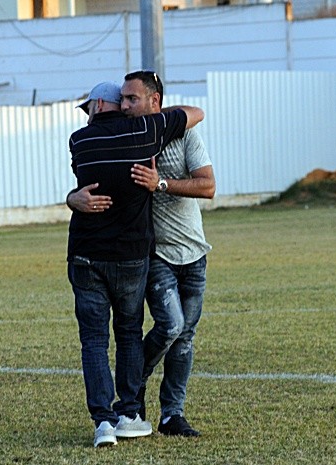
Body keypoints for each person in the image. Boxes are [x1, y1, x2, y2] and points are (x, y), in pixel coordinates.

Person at [68, 71, 216, 437]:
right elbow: (86, 183)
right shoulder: (139, 133)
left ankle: (156, 416)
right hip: (146, 255)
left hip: (180, 250)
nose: (125, 105)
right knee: (157, 328)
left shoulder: (84, 139)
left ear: (155, 102)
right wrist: (73, 198)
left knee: (177, 338)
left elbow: (209, 185)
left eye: (132, 99)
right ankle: (131, 402)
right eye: (123, 99)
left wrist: (160, 183)